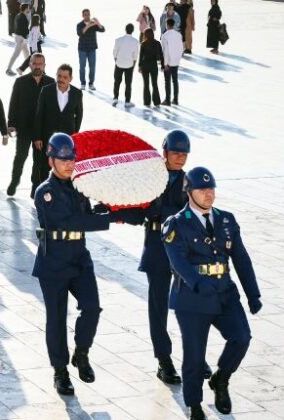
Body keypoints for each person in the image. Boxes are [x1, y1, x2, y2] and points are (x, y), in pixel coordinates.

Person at [32, 133, 137, 396]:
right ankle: (60, 372)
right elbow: (71, 222)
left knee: (92, 307)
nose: (69, 164)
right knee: (56, 319)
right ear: (51, 161)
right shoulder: (45, 193)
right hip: (54, 260)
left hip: (79, 257)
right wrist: (110, 220)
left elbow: (87, 215)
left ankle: (81, 352)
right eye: (63, 159)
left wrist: (116, 210)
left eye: (72, 159)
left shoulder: (80, 187)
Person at [162, 167, 261, 420]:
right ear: (189, 192)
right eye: (202, 189)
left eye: (211, 189)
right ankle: (194, 404)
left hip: (224, 292)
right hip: (192, 298)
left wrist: (253, 293)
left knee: (242, 337)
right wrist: (197, 282)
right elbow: (178, 262)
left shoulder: (226, 220)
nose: (208, 194)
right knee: (195, 355)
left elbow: (241, 258)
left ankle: (221, 379)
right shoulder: (176, 224)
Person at [138, 130, 197, 385]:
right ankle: (164, 360)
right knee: (158, 305)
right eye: (176, 153)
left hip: (180, 249)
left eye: (184, 154)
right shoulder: (151, 177)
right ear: (165, 153)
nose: (180, 158)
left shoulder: (189, 182)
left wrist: (161, 211)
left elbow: (191, 214)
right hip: (156, 246)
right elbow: (142, 207)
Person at [6, 53, 53, 197]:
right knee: (20, 156)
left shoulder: (51, 82)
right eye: (34, 63)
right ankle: (14, 182)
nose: (37, 66)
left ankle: (36, 187)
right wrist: (11, 123)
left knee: (40, 159)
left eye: (40, 63)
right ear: (30, 64)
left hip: (43, 129)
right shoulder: (20, 82)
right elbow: (13, 103)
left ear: (44, 65)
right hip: (24, 127)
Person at [33, 64, 83, 194]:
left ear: (70, 78)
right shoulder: (46, 90)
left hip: (67, 139)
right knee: (44, 166)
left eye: (64, 77)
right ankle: (42, 194)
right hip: (47, 137)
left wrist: (74, 137)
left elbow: (79, 116)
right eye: (59, 76)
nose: (61, 79)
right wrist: (37, 136)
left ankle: (63, 194)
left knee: (64, 167)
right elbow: (39, 115)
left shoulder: (77, 94)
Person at [76, 9, 105, 90]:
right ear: (83, 15)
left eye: (88, 14)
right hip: (82, 49)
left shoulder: (94, 24)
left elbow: (103, 30)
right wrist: (88, 25)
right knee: (82, 67)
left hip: (92, 48)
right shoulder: (80, 24)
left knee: (92, 67)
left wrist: (97, 22)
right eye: (85, 14)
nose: (87, 16)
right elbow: (80, 33)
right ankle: (82, 83)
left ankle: (91, 83)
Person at [113, 23, 139, 107]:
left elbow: (114, 52)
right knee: (128, 83)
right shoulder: (135, 41)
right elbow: (135, 55)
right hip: (129, 64)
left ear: (125, 29)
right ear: (133, 30)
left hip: (119, 63)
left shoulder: (118, 40)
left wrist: (116, 60)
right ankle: (127, 101)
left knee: (117, 82)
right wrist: (133, 65)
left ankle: (115, 98)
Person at [138, 28, 164, 107]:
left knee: (146, 84)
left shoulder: (143, 44)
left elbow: (141, 56)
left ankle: (147, 102)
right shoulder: (157, 43)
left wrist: (139, 66)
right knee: (154, 84)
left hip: (145, 66)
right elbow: (161, 56)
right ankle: (156, 102)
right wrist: (162, 65)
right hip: (153, 65)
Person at [161, 18, 184, 106]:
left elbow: (165, 51)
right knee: (175, 81)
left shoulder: (164, 36)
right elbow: (181, 49)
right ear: (173, 25)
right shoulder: (179, 35)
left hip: (168, 62)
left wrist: (165, 63)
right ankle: (175, 99)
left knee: (167, 81)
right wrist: (178, 59)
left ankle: (167, 100)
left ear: (167, 25)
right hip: (176, 61)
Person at [6, 4, 30, 76]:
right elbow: (23, 29)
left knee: (27, 54)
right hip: (21, 38)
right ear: (25, 9)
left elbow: (16, 27)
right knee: (16, 54)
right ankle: (8, 69)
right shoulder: (22, 17)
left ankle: (27, 69)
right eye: (28, 8)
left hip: (19, 37)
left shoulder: (18, 15)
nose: (29, 9)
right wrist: (24, 38)